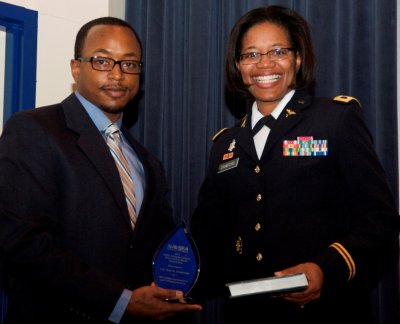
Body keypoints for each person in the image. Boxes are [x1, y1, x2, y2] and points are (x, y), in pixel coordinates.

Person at [190, 5, 400, 324]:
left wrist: (325, 268)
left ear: (297, 58)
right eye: (250, 55)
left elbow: (380, 222)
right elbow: (208, 239)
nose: (265, 64)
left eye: (277, 51)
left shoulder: (335, 120)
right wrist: (173, 288)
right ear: (238, 65)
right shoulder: (224, 145)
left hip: (329, 312)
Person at [0, 17, 201, 324]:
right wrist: (121, 302)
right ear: (76, 68)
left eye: (130, 64)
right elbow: (23, 242)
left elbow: (157, 246)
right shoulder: (33, 130)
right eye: (103, 61)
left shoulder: (147, 161)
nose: (118, 74)